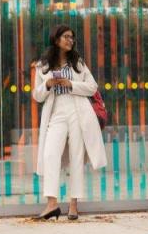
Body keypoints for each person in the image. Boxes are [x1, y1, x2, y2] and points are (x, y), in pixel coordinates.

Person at [32, 25, 107, 221]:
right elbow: (37, 96)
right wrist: (48, 84)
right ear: (56, 39)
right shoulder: (43, 65)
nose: (70, 40)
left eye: (72, 38)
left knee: (76, 155)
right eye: (66, 37)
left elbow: (92, 87)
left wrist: (71, 84)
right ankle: (52, 203)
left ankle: (73, 205)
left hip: (77, 110)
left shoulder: (78, 63)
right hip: (56, 111)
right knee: (50, 154)